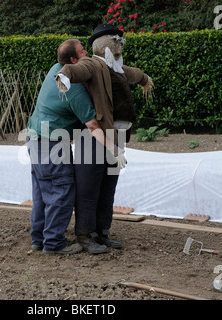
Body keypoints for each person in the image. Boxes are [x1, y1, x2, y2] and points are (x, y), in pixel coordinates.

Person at [56, 24, 154, 253]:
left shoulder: (117, 68)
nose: (119, 44)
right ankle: (84, 235)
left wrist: (144, 79)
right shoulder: (93, 63)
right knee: (88, 188)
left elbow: (133, 73)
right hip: (90, 138)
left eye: (120, 41)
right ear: (102, 45)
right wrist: (63, 76)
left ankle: (103, 233)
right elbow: (77, 70)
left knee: (108, 186)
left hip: (116, 137)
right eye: (115, 40)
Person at [27, 39, 114, 255]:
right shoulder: (73, 88)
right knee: (61, 191)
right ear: (73, 61)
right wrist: (114, 149)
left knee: (42, 192)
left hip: (34, 138)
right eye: (84, 52)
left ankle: (39, 239)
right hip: (52, 144)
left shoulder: (55, 69)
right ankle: (54, 244)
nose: (88, 54)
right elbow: (93, 125)